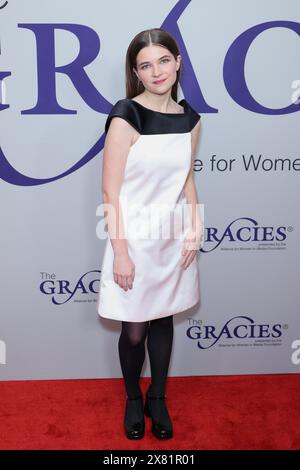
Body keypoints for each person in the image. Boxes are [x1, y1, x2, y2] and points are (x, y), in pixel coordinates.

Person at [97, 28, 203, 440]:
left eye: (163, 60)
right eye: (145, 65)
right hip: (134, 236)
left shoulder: (191, 119)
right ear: (136, 73)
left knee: (163, 318)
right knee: (134, 328)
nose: (156, 71)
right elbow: (110, 189)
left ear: (178, 63)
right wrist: (121, 253)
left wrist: (196, 224)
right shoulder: (127, 115)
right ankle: (131, 397)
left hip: (174, 234)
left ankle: (157, 397)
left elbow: (187, 178)